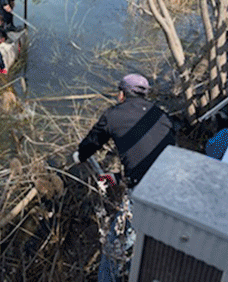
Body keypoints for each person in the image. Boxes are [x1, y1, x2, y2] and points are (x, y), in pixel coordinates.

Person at [73, 74, 175, 282]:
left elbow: (93, 141)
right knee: (148, 241)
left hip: (144, 195)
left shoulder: (113, 116)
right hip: (171, 187)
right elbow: (152, 160)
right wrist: (114, 178)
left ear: (121, 94)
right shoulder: (160, 115)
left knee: (114, 248)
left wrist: (79, 155)